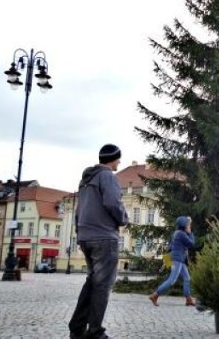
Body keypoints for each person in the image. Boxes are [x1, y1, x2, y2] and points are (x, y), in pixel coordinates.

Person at [69, 144, 129, 339]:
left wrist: (80, 232)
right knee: (102, 285)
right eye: (118, 159)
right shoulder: (108, 176)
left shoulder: (85, 180)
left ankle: (77, 328)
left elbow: (79, 210)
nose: (119, 162)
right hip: (104, 237)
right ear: (112, 159)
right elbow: (113, 202)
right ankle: (95, 332)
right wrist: (123, 219)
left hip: (86, 237)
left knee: (92, 282)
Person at [149, 216, 196, 306]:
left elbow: (170, 246)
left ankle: (188, 299)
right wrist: (190, 233)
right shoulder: (181, 234)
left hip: (179, 259)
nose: (189, 226)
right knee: (172, 279)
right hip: (177, 259)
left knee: (187, 278)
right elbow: (191, 244)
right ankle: (155, 295)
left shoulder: (177, 233)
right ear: (184, 226)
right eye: (188, 225)